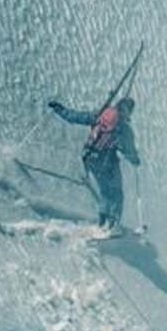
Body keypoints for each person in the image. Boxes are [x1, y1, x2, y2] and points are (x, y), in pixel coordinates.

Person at [48, 96, 141, 236]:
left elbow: (76, 117)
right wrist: (135, 160)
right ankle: (113, 225)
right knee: (116, 193)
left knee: (105, 191)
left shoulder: (101, 115)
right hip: (107, 162)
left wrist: (59, 109)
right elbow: (129, 151)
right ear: (128, 111)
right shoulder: (123, 128)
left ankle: (102, 223)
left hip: (89, 158)